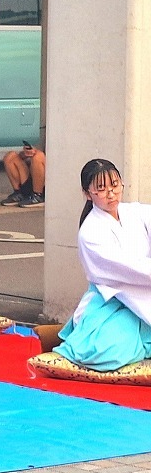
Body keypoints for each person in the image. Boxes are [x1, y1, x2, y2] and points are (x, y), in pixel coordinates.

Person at [53, 158, 151, 371]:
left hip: (144, 294)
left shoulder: (135, 213)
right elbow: (129, 268)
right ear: (88, 193)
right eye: (101, 188)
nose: (111, 193)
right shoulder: (90, 232)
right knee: (109, 351)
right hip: (112, 302)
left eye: (115, 185)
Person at [0, 141, 46, 208]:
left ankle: (38, 196)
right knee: (10, 156)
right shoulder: (46, 135)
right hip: (35, 174)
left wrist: (37, 154)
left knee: (38, 156)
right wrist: (27, 154)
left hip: (50, 181)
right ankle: (19, 193)